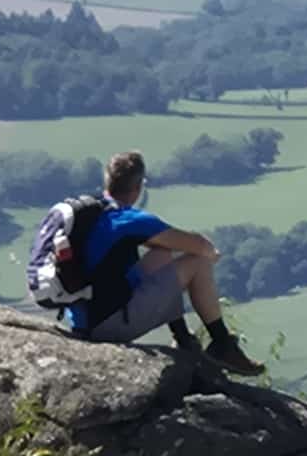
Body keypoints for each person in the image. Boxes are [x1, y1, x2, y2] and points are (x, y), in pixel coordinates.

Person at [65, 150, 265, 375]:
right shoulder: (130, 220)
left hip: (83, 319)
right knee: (197, 262)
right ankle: (222, 344)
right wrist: (211, 252)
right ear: (139, 186)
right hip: (109, 324)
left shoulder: (94, 213)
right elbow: (199, 246)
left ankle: (183, 339)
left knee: (163, 254)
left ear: (107, 181)